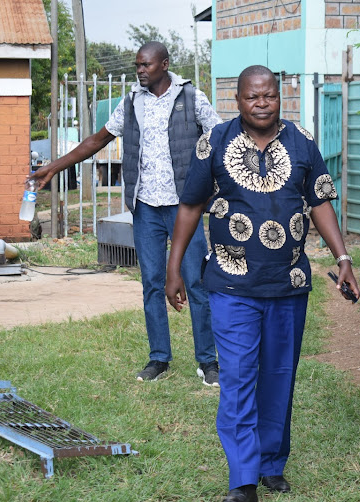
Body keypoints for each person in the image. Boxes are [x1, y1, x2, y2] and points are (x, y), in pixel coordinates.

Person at [165, 65, 359, 502]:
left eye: (269, 95)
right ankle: (243, 477)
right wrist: (174, 266)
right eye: (253, 97)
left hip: (288, 284)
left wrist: (343, 258)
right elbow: (191, 205)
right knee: (236, 378)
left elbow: (320, 202)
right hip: (231, 284)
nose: (262, 103)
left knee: (278, 377)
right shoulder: (214, 141)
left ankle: (271, 463)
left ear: (279, 96)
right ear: (238, 99)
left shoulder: (303, 141)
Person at [30, 42, 222, 386]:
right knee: (151, 283)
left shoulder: (192, 98)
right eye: (137, 65)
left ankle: (208, 361)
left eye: (146, 65)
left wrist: (215, 188)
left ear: (164, 64)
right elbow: (97, 140)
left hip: (184, 207)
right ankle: (159, 359)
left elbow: (220, 138)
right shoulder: (132, 101)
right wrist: (53, 167)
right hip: (146, 207)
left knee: (195, 281)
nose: (140, 70)